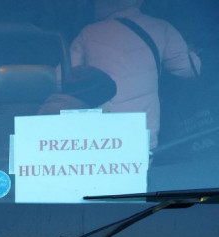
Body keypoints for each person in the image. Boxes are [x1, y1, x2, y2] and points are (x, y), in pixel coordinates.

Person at [70, 0, 200, 149]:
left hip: (102, 132)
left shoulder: (88, 33)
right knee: (142, 163)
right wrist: (193, 53)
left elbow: (62, 78)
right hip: (143, 131)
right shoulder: (161, 28)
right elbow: (187, 69)